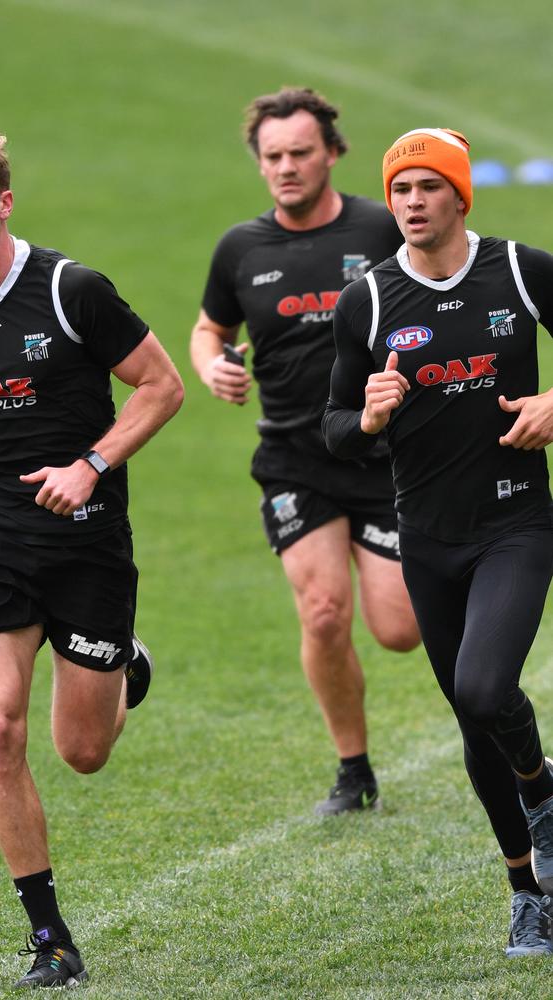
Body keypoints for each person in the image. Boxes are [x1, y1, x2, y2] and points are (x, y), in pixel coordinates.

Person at [0, 125, 184, 988]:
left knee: (84, 752)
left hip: (89, 543)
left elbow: (162, 387)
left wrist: (91, 465)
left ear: (4, 202)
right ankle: (50, 938)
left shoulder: (71, 290)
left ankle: (122, 657)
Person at [323, 126, 553, 956]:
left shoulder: (523, 270)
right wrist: (372, 416)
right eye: (399, 191)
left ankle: (544, 793)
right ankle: (527, 891)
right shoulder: (370, 300)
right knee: (471, 722)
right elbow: (335, 425)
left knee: (488, 688)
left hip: (516, 524)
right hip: (426, 536)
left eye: (427, 188)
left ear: (461, 195)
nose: (411, 204)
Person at [190, 87, 420, 816]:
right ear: (259, 164)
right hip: (293, 456)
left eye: (299, 153)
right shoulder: (241, 248)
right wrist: (213, 364)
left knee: (399, 629)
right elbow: (208, 328)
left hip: (384, 456)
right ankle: (353, 772)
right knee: (323, 613)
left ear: (332, 153)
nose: (286, 167)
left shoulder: (383, 229)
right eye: (272, 157)